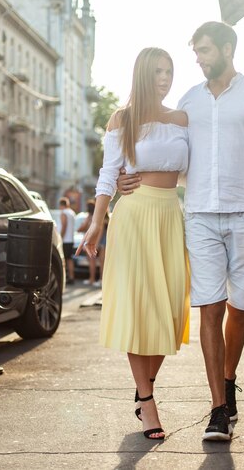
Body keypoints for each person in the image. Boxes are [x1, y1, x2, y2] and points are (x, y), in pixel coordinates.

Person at [117, 22, 244, 441]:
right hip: (197, 215)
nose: (198, 59)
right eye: (196, 52)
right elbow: (164, 149)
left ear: (228, 49)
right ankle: (217, 409)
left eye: (205, 51)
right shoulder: (188, 101)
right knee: (209, 307)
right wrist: (129, 175)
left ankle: (229, 381)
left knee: (240, 307)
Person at [76, 47, 190, 441]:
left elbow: (194, 169)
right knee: (139, 309)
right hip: (134, 216)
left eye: (169, 71)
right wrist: (95, 222)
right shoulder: (121, 119)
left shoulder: (181, 118)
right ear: (143, 74)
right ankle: (148, 400)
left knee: (170, 309)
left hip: (169, 216)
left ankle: (145, 387)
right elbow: (109, 174)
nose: (165, 78)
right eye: (158, 71)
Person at [78, 199, 103, 287]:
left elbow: (83, 227)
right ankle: (96, 279)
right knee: (97, 261)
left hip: (91, 242)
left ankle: (92, 279)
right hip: (95, 241)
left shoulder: (90, 217)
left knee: (92, 261)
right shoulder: (95, 216)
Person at [59, 196, 76, 285]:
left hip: (65, 240)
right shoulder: (72, 212)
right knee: (69, 259)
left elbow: (64, 226)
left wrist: (60, 237)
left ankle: (64, 277)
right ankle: (71, 276)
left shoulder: (64, 213)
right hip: (71, 239)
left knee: (63, 259)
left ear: (61, 205)